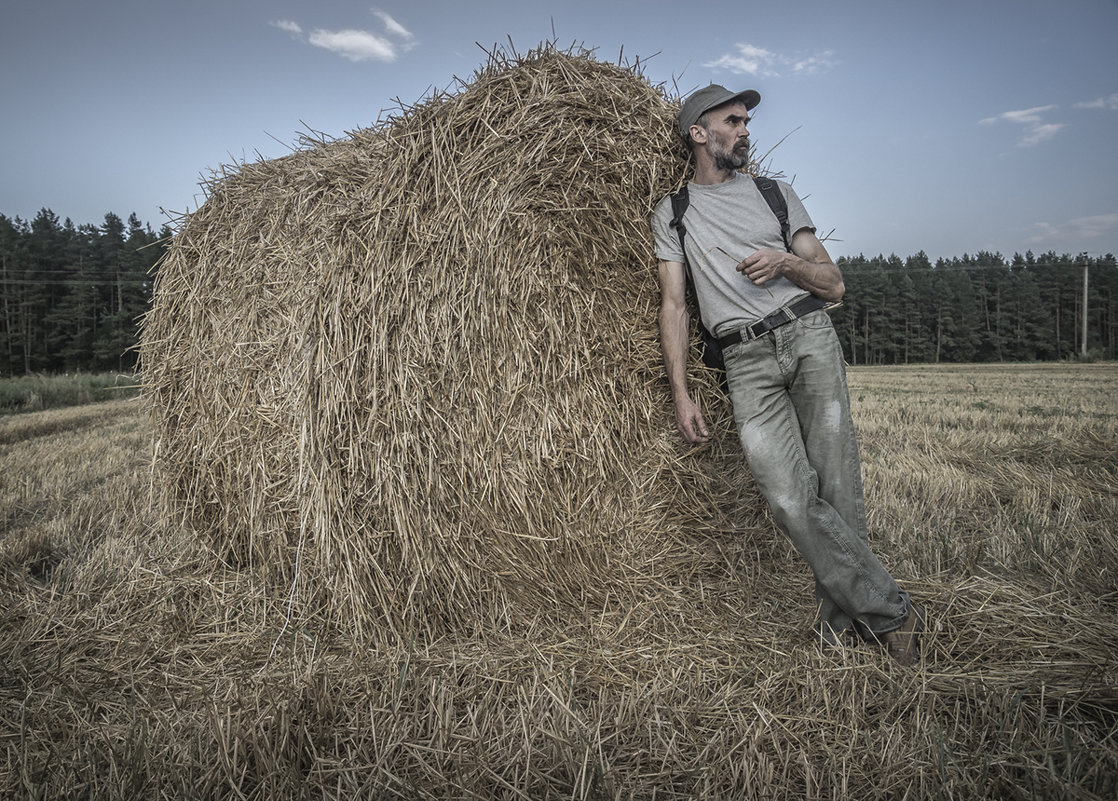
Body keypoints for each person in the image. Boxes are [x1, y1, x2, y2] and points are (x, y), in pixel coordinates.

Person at [649, 84, 923, 664]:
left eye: (747, 121)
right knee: (787, 497)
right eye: (734, 120)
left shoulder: (776, 195)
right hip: (744, 360)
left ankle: (844, 625)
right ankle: (888, 611)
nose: (746, 129)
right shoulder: (673, 213)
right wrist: (680, 392)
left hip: (807, 336)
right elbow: (673, 306)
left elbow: (834, 284)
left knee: (838, 488)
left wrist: (787, 262)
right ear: (700, 133)